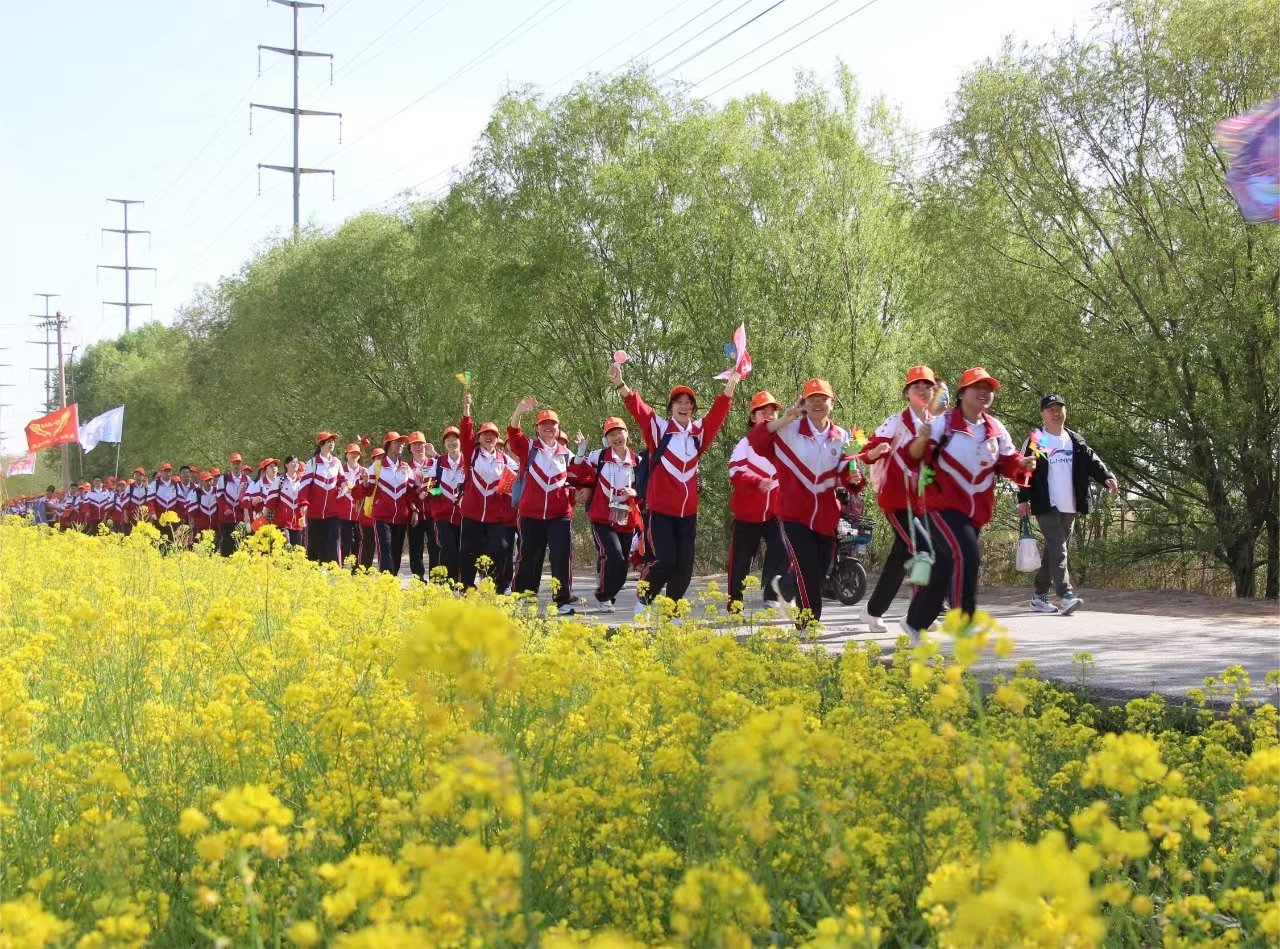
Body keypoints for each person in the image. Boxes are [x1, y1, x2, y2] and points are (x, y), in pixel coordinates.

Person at [902, 367, 1036, 642]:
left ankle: (915, 623)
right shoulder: (943, 424)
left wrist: (1021, 465)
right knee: (968, 556)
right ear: (962, 393)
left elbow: (1006, 461)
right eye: (977, 387)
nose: (984, 392)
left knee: (943, 570)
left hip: (975, 511)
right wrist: (923, 438)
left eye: (989, 389)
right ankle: (964, 619)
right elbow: (913, 456)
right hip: (940, 507)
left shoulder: (995, 429)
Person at [609, 361, 739, 613]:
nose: (684, 405)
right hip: (660, 512)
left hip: (688, 514)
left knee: (684, 567)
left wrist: (732, 383)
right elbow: (639, 409)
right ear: (671, 408)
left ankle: (673, 612)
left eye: (688, 402)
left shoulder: (698, 433)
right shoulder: (659, 429)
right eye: (678, 401)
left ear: (693, 409)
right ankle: (644, 598)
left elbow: (719, 412)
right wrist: (621, 384)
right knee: (666, 560)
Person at [749, 379, 864, 626]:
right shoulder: (788, 431)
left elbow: (847, 474)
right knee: (808, 571)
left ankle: (785, 585)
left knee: (819, 573)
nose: (817, 403)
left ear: (832, 403)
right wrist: (786, 417)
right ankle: (807, 625)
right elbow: (757, 441)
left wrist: (854, 478)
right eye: (812, 399)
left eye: (823, 399)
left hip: (825, 517)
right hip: (794, 515)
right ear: (804, 403)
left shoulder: (841, 437)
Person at [1017, 394, 1118, 615]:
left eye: (1059, 408)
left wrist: (1106, 477)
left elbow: (1092, 461)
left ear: (1065, 411)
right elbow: (1024, 470)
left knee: (1053, 551)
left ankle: (1039, 596)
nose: (1055, 413)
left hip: (1070, 503)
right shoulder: (1039, 439)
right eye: (1050, 409)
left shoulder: (1074, 440)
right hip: (1046, 502)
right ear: (1042, 414)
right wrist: (1023, 499)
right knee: (1058, 548)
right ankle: (1066, 595)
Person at [858, 366, 939, 633]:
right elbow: (866, 452)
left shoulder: (938, 424)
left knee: (901, 555)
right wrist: (876, 451)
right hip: (897, 499)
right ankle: (919, 614)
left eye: (927, 386)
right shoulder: (895, 422)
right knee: (922, 550)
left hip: (925, 501)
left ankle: (873, 611)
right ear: (907, 392)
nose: (922, 390)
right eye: (916, 386)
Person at [507, 397, 577, 614]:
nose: (548, 427)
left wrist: (584, 491)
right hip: (531, 514)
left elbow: (580, 477)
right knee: (529, 554)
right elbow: (513, 435)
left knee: (561, 555)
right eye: (543, 424)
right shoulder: (529, 447)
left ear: (558, 428)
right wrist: (518, 412)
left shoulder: (567, 454)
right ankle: (523, 594)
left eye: (552, 424)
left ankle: (561, 600)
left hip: (559, 515)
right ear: (537, 428)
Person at [571, 416, 643, 613]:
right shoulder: (599, 456)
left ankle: (608, 594)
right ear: (606, 438)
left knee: (623, 564)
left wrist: (635, 492)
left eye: (619, 432)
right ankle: (603, 596)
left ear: (627, 433)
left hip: (626, 519)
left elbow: (645, 488)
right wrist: (581, 451)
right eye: (611, 435)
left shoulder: (637, 461)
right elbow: (577, 472)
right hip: (602, 517)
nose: (616, 437)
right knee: (613, 556)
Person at [727, 391, 787, 610]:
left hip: (775, 513)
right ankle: (735, 604)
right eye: (764, 412)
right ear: (753, 417)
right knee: (742, 561)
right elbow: (735, 472)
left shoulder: (783, 444)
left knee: (783, 550)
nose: (770, 416)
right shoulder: (745, 444)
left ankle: (771, 595)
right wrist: (757, 481)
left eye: (773, 412)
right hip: (747, 515)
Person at [458, 393, 515, 590]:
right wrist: (467, 410)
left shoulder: (505, 460)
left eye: (493, 434)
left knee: (501, 548)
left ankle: (495, 586)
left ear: (498, 439)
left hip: (495, 516)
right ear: (479, 437)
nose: (489, 436)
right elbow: (465, 435)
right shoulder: (472, 455)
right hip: (472, 514)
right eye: (485, 434)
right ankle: (467, 587)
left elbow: (519, 477)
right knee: (469, 551)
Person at [355, 432, 416, 574]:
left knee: (396, 552)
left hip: (401, 517)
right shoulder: (377, 467)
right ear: (388, 445)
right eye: (396, 442)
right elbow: (367, 492)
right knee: (385, 548)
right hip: (382, 517)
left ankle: (392, 579)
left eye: (401, 443)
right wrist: (365, 484)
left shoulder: (406, 468)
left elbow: (411, 493)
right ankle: (386, 579)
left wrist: (414, 510)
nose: (400, 445)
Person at [428, 424, 466, 584]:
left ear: (461, 441)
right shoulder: (438, 463)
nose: (452, 442)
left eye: (455, 439)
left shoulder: (468, 462)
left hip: (463, 515)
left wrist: (463, 495)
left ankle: (461, 583)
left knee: (462, 549)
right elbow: (429, 488)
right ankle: (448, 584)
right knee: (447, 547)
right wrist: (440, 492)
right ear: (444, 443)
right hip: (442, 515)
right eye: (448, 440)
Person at [301, 432, 343, 564]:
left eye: (333, 441)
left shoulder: (337, 462)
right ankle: (312, 569)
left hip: (333, 511)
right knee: (314, 542)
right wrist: (303, 503)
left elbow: (342, 479)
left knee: (332, 540)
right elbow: (304, 484)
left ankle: (331, 568)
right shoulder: (313, 463)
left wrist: (344, 486)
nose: (332, 444)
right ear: (321, 444)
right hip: (315, 511)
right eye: (328, 441)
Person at [405, 431, 439, 582]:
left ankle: (435, 578)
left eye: (421, 444)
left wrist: (432, 492)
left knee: (435, 545)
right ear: (410, 448)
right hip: (415, 513)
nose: (419, 447)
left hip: (433, 512)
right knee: (415, 546)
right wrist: (414, 507)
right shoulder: (406, 467)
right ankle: (418, 578)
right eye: (415, 444)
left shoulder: (434, 463)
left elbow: (443, 488)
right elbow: (406, 492)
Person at [216, 454, 252, 556]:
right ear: (230, 464)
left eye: (238, 463)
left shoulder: (247, 479)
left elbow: (249, 498)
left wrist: (246, 513)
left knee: (242, 543)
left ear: (241, 464)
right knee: (227, 544)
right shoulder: (223, 478)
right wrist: (225, 508)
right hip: (226, 518)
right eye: (234, 463)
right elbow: (219, 497)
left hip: (241, 517)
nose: (236, 466)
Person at [270, 456, 308, 548]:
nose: (295, 464)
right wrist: (265, 516)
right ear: (286, 465)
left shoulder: (302, 481)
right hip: (282, 522)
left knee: (298, 549)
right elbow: (271, 500)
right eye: (293, 462)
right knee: (285, 548)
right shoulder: (280, 480)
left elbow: (305, 501)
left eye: (297, 462)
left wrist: (304, 517)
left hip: (298, 523)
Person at [337, 442, 365, 567]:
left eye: (357, 453)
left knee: (358, 540)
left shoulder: (364, 471)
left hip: (358, 513)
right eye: (351, 453)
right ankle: (341, 565)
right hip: (343, 512)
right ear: (346, 455)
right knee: (346, 540)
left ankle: (355, 568)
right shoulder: (340, 471)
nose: (354, 455)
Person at [356, 447, 383, 571]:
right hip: (367, 514)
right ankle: (363, 569)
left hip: (382, 514)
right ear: (373, 460)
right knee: (368, 542)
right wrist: (365, 482)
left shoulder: (387, 473)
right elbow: (360, 492)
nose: (381, 460)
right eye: (378, 458)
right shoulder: (367, 473)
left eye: (383, 458)